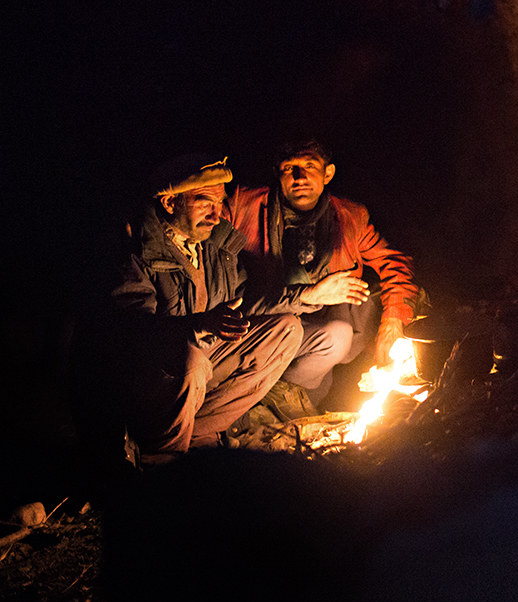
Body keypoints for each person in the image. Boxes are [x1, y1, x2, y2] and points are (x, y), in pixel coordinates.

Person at [74, 155, 359, 467]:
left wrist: (308, 294)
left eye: (219, 203)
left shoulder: (213, 246)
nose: (215, 214)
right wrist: (196, 326)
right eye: (204, 202)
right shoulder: (135, 250)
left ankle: (197, 434)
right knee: (191, 357)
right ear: (171, 203)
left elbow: (246, 299)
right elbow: (132, 332)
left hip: (199, 367)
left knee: (287, 329)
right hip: (147, 382)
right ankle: (162, 458)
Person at [227, 139, 420, 411]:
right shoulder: (242, 206)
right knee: (335, 340)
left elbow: (394, 263)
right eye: (289, 168)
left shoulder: (349, 216)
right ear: (277, 173)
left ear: (327, 173)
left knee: (370, 303)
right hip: (264, 319)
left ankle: (295, 405)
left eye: (310, 166)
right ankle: (274, 400)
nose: (300, 177)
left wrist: (393, 323)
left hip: (320, 322)